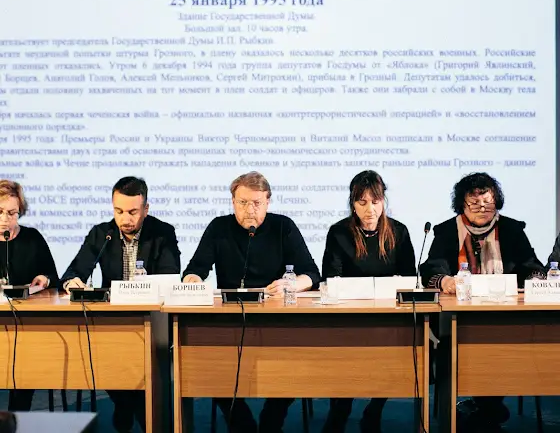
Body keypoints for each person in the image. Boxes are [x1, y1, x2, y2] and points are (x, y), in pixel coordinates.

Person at [183, 171, 320, 433]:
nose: (249, 210)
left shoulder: (283, 227)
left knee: (294, 361)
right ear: (232, 202)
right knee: (207, 364)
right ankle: (240, 421)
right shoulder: (219, 228)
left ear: (268, 202)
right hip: (229, 321)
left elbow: (312, 274)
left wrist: (293, 284)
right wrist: (192, 281)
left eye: (256, 203)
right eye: (243, 202)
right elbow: (195, 268)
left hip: (277, 321)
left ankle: (272, 418)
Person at [420, 172, 545, 430]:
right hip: (459, 318)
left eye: (488, 202)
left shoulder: (511, 229)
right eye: (474, 202)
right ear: (462, 204)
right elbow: (431, 270)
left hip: (506, 316)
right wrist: (445, 281)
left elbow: (532, 266)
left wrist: (535, 278)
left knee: (504, 345)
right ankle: (486, 409)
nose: (482, 207)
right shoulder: (447, 231)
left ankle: (482, 408)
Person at [61, 176, 180, 433]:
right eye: (119, 211)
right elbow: (73, 272)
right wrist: (73, 283)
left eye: (132, 212)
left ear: (146, 209)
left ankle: (132, 411)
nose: (125, 219)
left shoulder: (163, 233)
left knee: (144, 373)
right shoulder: (101, 234)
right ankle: (131, 408)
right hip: (111, 322)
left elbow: (170, 276)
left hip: (151, 322)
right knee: (104, 360)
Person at [321, 170, 416, 433]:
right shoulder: (339, 232)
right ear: (353, 203)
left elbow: (410, 278)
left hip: (389, 318)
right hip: (349, 316)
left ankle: (374, 410)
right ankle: (340, 409)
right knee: (347, 357)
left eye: (375, 201)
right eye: (362, 202)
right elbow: (330, 278)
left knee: (393, 350)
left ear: (383, 201)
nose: (369, 209)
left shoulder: (399, 231)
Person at [0, 180, 59, 413]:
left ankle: (16, 418)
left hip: (26, 325)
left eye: (11, 213)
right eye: (0, 211)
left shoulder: (32, 238)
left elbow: (53, 276)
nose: (5, 219)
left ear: (20, 212)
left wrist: (44, 279)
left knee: (24, 368)